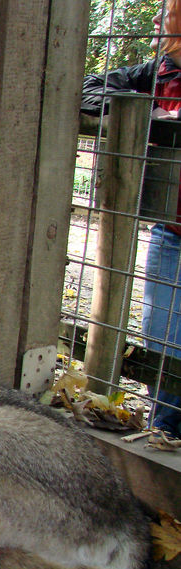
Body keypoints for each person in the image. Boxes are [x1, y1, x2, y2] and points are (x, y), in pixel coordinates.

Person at [81, 2, 181, 436]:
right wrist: (137, 112)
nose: (157, 20)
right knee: (162, 341)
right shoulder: (155, 74)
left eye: (168, 10)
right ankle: (165, 434)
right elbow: (89, 86)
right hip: (171, 233)